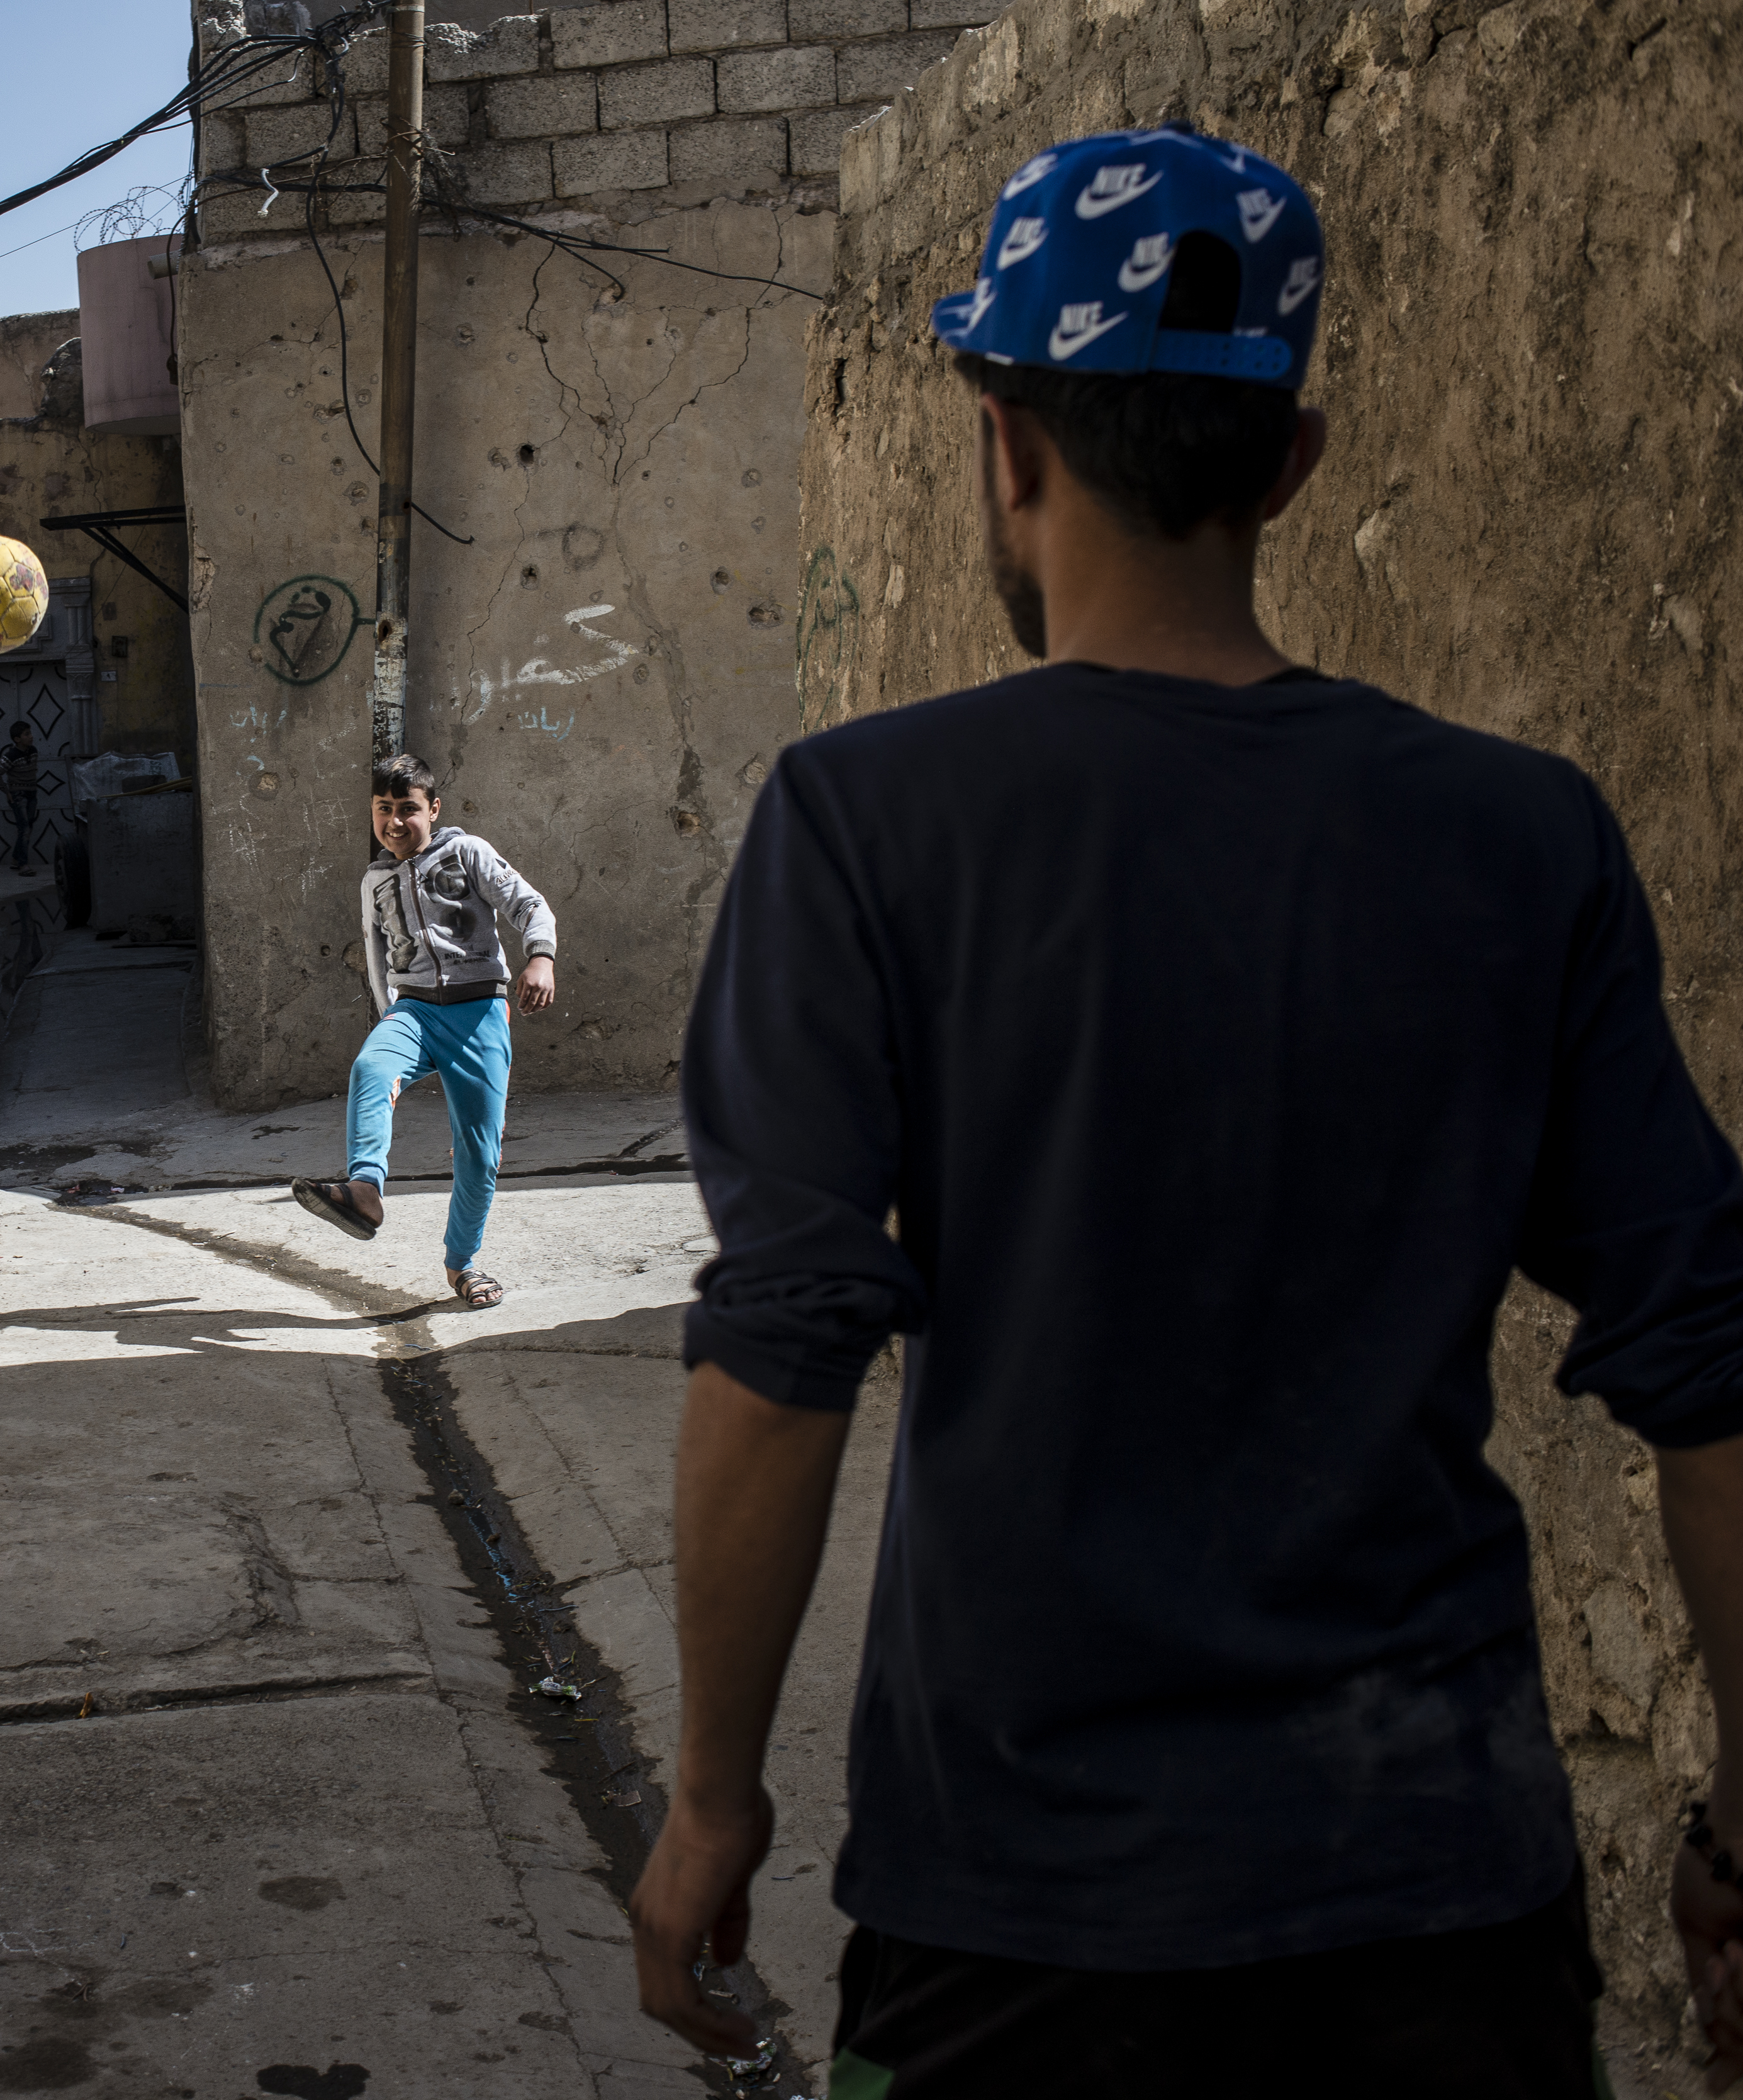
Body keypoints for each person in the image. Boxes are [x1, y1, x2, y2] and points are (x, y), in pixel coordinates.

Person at [631, 128, 1743, 2096]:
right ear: (1289, 466)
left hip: (1019, 1918)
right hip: (1441, 1896)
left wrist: (712, 1790)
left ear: (1003, 440)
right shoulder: (1520, 836)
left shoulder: (863, 822)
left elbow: (782, 1344)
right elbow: (1712, 1358)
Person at [289, 753, 556, 1308]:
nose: (394, 822)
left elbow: (529, 904)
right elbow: (376, 953)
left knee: (480, 1153)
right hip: (412, 1011)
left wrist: (540, 959)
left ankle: (462, 1264)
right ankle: (365, 1189)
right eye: (382, 809)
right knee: (370, 1067)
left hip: (478, 1011)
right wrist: (392, 1014)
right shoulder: (375, 879)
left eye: (407, 809)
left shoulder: (468, 852)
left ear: (432, 809)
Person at [0, 717, 40, 872]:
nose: (31, 737)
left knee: (27, 827)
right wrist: (7, 791)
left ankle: (16, 859)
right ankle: (23, 865)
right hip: (18, 796)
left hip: (32, 793)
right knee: (25, 829)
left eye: (30, 733)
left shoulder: (34, 751)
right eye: (26, 734)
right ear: (17, 739)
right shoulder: (11, 755)